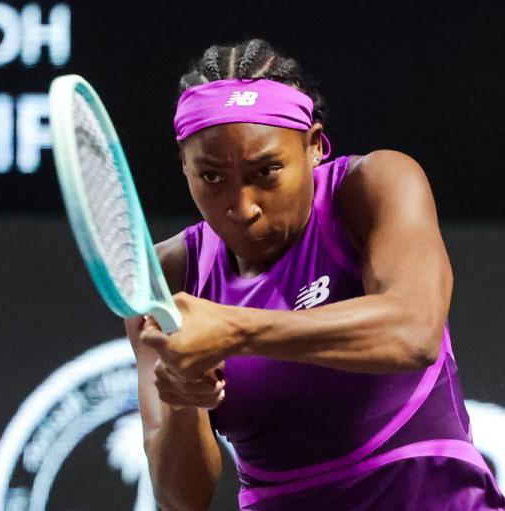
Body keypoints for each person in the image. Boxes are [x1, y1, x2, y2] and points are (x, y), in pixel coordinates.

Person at [124, 38, 505, 510]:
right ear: (184, 166)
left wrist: (233, 330)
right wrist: (182, 396)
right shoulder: (166, 278)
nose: (242, 208)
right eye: (212, 177)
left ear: (315, 146)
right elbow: (181, 499)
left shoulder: (373, 186)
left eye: (267, 171)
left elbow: (413, 331)